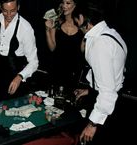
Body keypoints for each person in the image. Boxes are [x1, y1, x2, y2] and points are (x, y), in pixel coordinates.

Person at [73, 4, 128, 145]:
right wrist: (89, 90)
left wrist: (93, 124)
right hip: (111, 98)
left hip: (106, 106)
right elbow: (111, 73)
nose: (76, 25)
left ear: (81, 18)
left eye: (76, 21)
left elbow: (108, 91)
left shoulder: (99, 43)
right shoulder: (111, 33)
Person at [0, 0, 39, 102]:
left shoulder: (25, 28)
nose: (9, 15)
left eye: (12, 11)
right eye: (5, 11)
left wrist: (19, 77)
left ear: (18, 7)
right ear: (0, 8)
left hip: (15, 74)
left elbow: (34, 62)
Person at [45, 0, 85, 92]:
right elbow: (52, 48)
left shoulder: (80, 23)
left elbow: (83, 50)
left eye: (68, 3)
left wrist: (84, 31)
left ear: (75, 5)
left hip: (74, 71)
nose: (64, 6)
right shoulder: (57, 22)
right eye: (63, 2)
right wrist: (47, 30)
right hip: (56, 69)